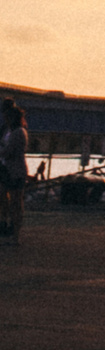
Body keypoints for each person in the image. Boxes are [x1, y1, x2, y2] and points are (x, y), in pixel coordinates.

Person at [0, 97, 27, 244]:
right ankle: (8, 228)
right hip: (8, 169)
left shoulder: (17, 132)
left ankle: (15, 234)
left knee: (16, 203)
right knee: (9, 200)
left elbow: (8, 152)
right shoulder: (10, 130)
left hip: (14, 170)